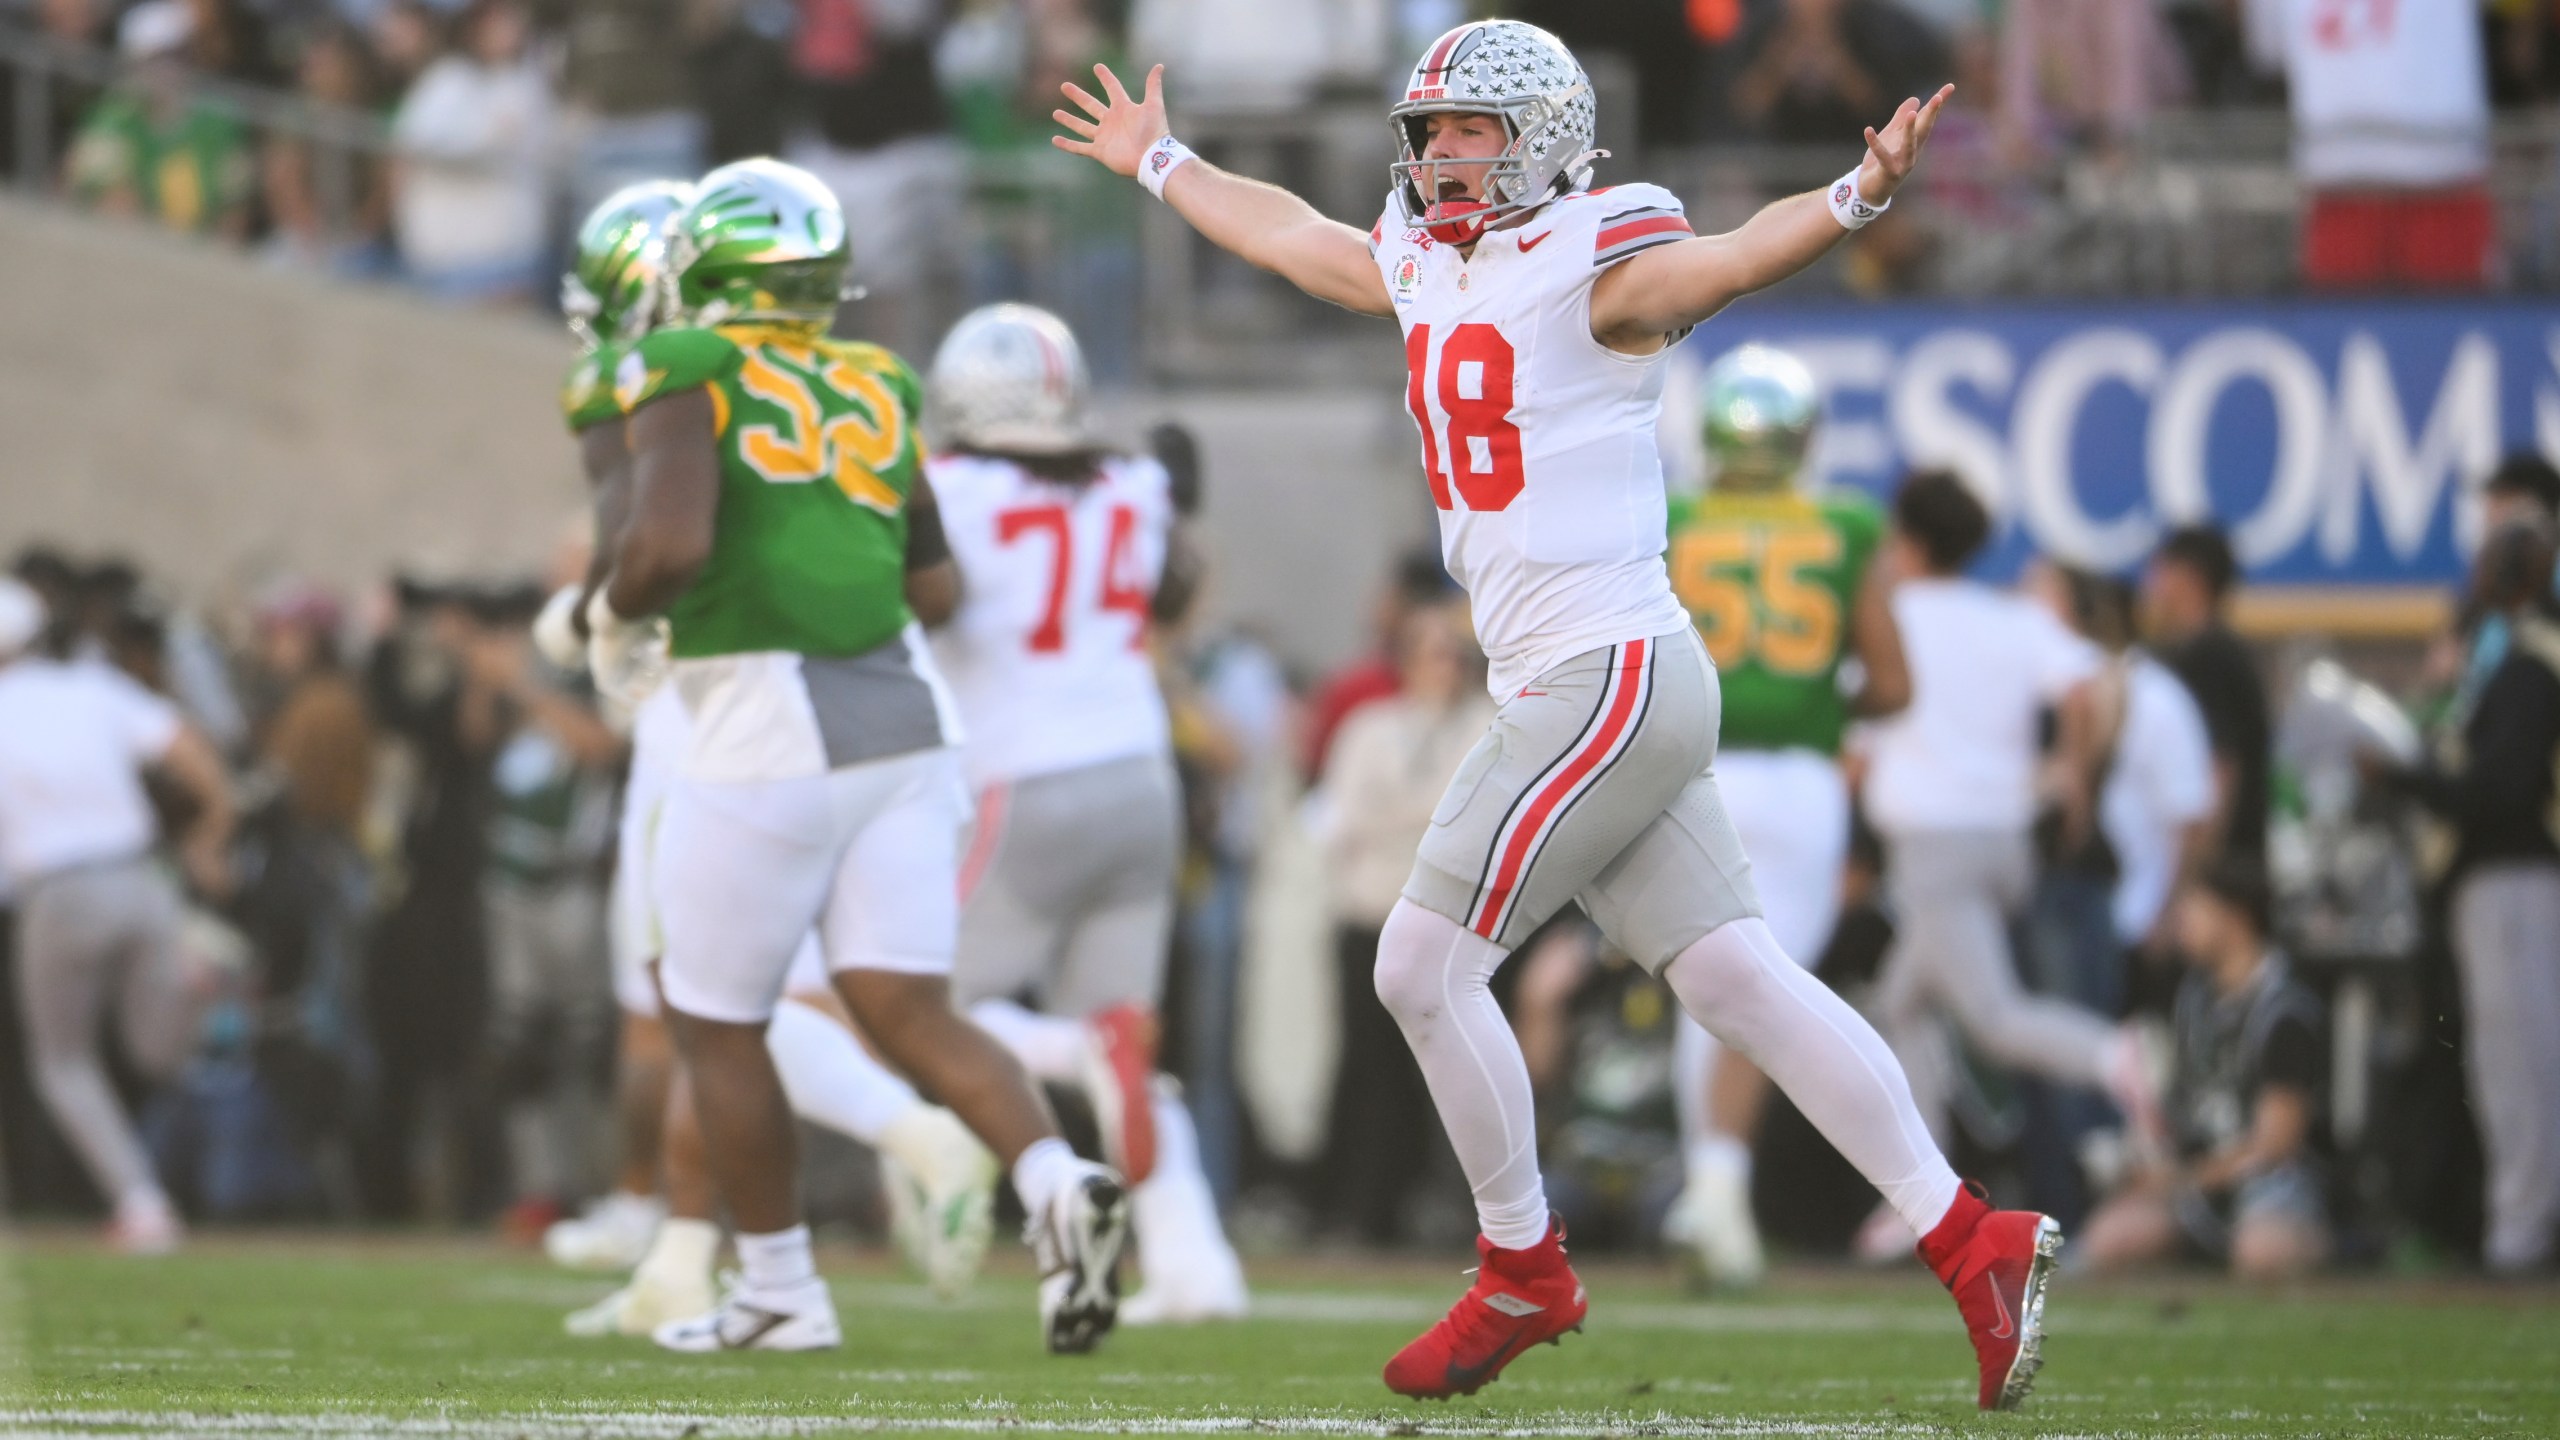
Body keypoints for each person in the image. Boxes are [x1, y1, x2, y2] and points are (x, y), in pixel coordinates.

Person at [1055, 21, 2059, 1408]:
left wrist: (1856, 195)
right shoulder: (1420, 255)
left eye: (1470, 131)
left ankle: (1521, 1264)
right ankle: (1972, 1241)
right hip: (1598, 683)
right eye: (1433, 132)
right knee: (1734, 980)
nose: (1442, 157)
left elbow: (1731, 258)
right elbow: (1291, 236)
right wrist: (1161, 160)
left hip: (1609, 676)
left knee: (1417, 966)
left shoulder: (1598, 261)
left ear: (1541, 137)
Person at [589, 158, 1126, 1354]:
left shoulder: (683, 362)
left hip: (767, 716)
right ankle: (1049, 1179)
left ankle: (780, 1288)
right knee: (911, 1010)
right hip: (905, 721)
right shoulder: (881, 380)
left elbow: (664, 541)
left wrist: (614, 609)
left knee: (716, 1021)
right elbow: (932, 588)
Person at [534, 185, 995, 1331]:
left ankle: (760, 1223)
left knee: (693, 1003)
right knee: (755, 996)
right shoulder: (848, 370)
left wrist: (584, 617)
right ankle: (693, 1255)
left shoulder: (659, 371)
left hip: (724, 699)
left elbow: (640, 548)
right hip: (857, 699)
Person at [924, 302, 1247, 1325]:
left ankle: (1072, 1056)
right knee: (1126, 1034)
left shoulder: (944, 489)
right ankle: (1195, 1264)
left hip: (1025, 775)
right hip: (1141, 773)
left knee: (925, 1012)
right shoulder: (1138, 484)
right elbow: (1171, 590)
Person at [1654, 343, 1909, 1291]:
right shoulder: (1843, 524)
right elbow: (1893, 682)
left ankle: (1711, 1196)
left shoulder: (1673, 517)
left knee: (1706, 995)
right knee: (1757, 990)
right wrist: (1815, 701)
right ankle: (1718, 1191)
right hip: (1800, 785)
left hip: (1690, 770)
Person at [1859, 471, 2157, 1253]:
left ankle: (2115, 1057)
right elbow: (2092, 689)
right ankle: (1920, 1195)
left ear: (1907, 539)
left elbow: (1858, 720)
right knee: (1900, 1008)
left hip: (1937, 846)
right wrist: (2073, 778)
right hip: (2005, 843)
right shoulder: (2009, 620)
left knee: (1991, 1018)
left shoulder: (1894, 617)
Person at [0, 576, 235, 1252]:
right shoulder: (91, 689)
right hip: (140, 879)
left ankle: (141, 1202)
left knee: (62, 1061)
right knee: (155, 1055)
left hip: (58, 890)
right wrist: (212, 832)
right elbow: (189, 748)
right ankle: (195, 984)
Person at [2389, 513, 2560, 1277]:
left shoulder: (2530, 662)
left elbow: (2500, 788)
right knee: (2506, 1058)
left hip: (2517, 876)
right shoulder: (2509, 659)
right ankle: (2517, 1223)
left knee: (2521, 1058)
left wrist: (2407, 778)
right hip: (2499, 881)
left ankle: (2522, 1232)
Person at [1313, 599, 1493, 1246]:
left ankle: (1449, 1210)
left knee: (1448, 1066)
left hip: (1449, 922)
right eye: (1429, 650)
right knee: (1366, 1068)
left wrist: (1399, 821)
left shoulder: (1485, 726)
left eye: (1453, 652)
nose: (1442, 665)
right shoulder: (1372, 727)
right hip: (1370, 910)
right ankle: (1359, 1209)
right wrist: (1414, 821)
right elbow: (1340, 817)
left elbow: (1470, 818)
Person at [2081, 859, 2328, 1279]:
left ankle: (2320, 1242)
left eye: (2194, 909)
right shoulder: (2192, 999)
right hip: (2199, 1182)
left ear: (2236, 917)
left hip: (2267, 1184)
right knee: (2108, 1239)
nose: (2182, 924)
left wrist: (2182, 1178)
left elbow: (2275, 1145)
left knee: (2261, 1250)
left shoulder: (2283, 1011)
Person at [390, 0, 553, 304]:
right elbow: (418, 142)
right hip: (450, 261)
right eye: (494, 20)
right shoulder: (446, 80)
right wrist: (491, 136)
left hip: (513, 255)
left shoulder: (525, 82)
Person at [63, 0, 255, 239]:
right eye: (164, 56)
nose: (174, 66)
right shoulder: (112, 120)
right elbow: (114, 206)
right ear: (137, 63)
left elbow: (234, 212)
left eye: (183, 52)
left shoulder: (219, 121)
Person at [2141, 524, 2270, 863]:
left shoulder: (2209, 657)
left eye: (2159, 571)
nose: (2150, 586)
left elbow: (2219, 768)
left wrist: (2193, 871)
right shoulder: (2202, 653)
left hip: (2221, 871)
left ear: (2188, 577)